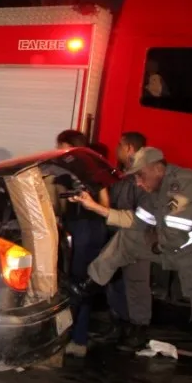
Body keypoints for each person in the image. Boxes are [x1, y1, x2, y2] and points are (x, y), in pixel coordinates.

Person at [70, 147, 192, 383]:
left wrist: (146, 236)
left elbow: (171, 239)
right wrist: (96, 208)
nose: (137, 182)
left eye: (140, 175)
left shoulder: (184, 186)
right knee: (128, 240)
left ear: (157, 167)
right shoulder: (154, 191)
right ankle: (88, 285)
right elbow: (134, 226)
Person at [55, 130, 110, 358]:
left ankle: (75, 339)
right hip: (91, 229)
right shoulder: (90, 170)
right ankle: (77, 338)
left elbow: (59, 206)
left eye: (60, 146)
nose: (58, 150)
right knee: (83, 282)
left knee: (76, 284)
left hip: (82, 230)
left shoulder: (73, 171)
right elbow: (105, 202)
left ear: (69, 146)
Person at [99, 131, 152, 350]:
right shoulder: (122, 173)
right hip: (117, 236)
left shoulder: (144, 176)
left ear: (130, 148)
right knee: (116, 282)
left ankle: (138, 331)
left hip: (137, 239)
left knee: (137, 284)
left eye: (120, 145)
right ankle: (119, 326)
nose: (116, 149)